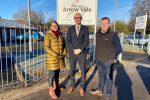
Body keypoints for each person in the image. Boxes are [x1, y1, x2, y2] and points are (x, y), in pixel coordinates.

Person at [90, 17, 122, 100]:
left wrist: (111, 56)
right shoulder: (97, 33)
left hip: (108, 61)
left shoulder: (113, 34)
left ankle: (108, 96)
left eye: (105, 23)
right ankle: (99, 90)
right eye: (102, 23)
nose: (103, 25)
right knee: (100, 76)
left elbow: (119, 49)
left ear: (109, 24)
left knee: (109, 78)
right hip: (99, 60)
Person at [66, 13, 89, 96]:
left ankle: (82, 87)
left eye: (79, 17)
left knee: (83, 70)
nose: (77, 19)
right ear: (74, 19)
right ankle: (72, 85)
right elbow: (68, 40)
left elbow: (87, 41)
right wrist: (73, 49)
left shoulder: (86, 28)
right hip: (72, 53)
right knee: (72, 70)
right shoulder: (70, 29)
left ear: (81, 18)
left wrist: (80, 49)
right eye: (76, 18)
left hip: (82, 53)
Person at [44, 21, 67, 99]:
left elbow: (64, 46)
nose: (54, 27)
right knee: (52, 74)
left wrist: (64, 54)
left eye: (56, 25)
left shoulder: (60, 35)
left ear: (58, 26)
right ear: (50, 27)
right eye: (53, 26)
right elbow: (47, 48)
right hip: (52, 58)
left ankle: (57, 85)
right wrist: (56, 55)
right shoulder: (48, 35)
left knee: (57, 72)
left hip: (60, 58)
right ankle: (51, 90)